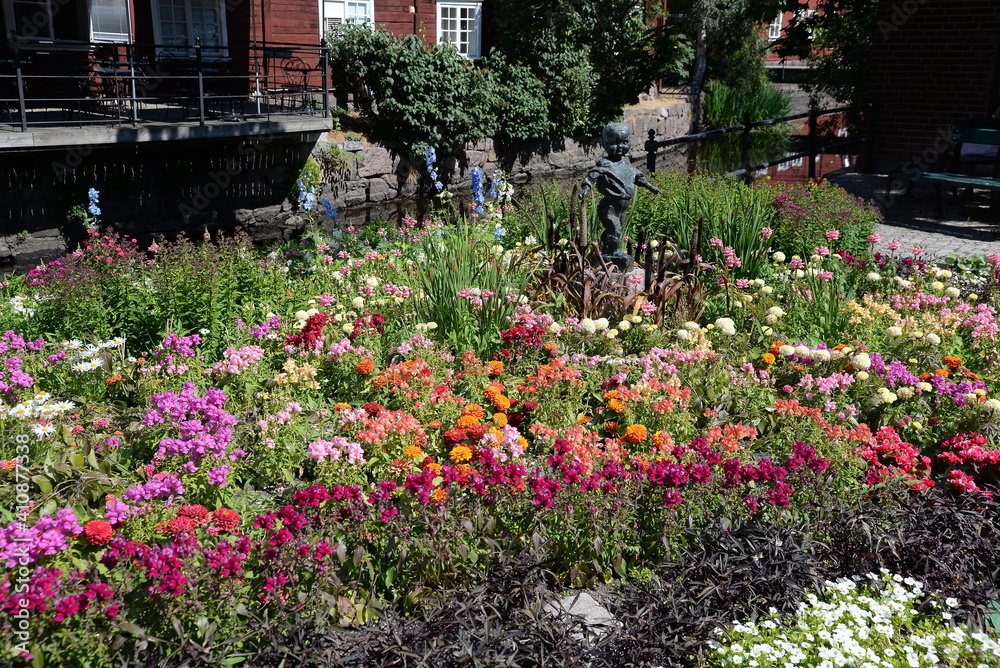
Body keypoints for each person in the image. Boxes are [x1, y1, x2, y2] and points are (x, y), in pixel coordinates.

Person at [579, 122, 661, 263]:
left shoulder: (626, 163)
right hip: (609, 206)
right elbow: (592, 176)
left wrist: (650, 186)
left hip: (623, 206)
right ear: (604, 144)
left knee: (616, 230)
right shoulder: (605, 164)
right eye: (614, 143)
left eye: (624, 142)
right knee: (615, 229)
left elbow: (636, 176)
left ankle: (606, 251)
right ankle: (613, 253)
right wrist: (585, 188)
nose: (620, 147)